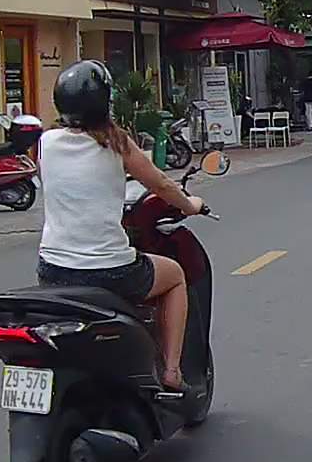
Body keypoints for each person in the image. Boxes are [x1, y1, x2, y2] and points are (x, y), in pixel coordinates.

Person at [37, 60, 205, 392]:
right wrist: (191, 204)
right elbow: (162, 185)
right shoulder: (117, 144)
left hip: (52, 269)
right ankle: (172, 371)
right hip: (108, 272)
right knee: (175, 276)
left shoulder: (47, 142)